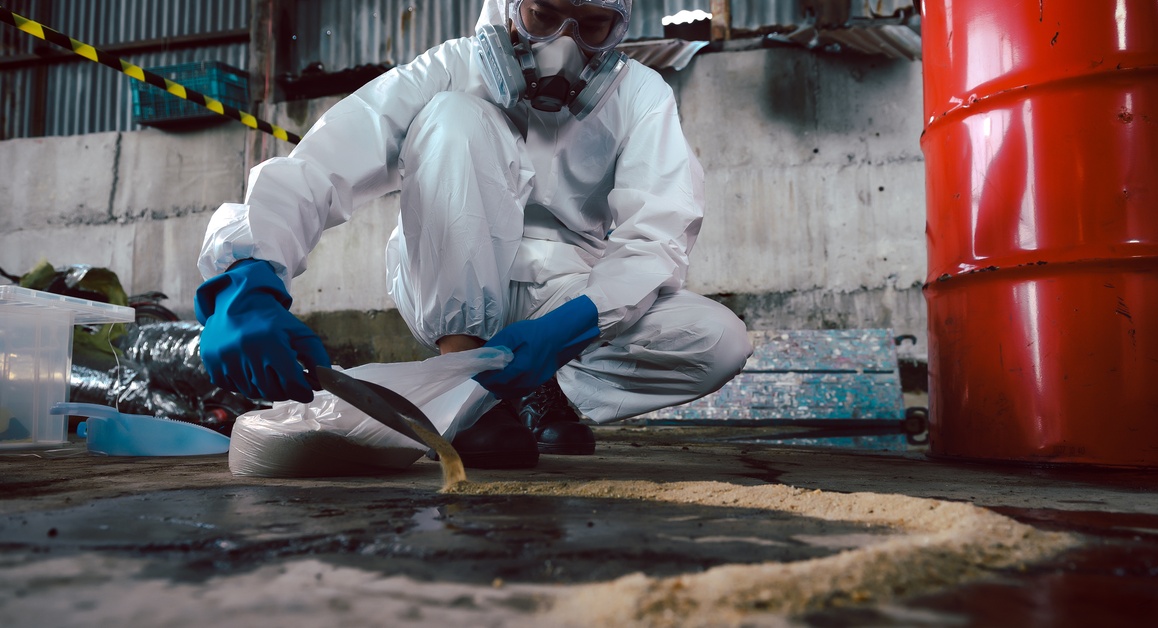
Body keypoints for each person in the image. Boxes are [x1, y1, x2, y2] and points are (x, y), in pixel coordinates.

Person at [194, 0, 752, 469]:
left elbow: (656, 236)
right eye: (543, 15)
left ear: (618, 24)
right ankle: (468, 373)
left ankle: (532, 391)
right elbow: (320, 165)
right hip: (452, 283)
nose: (563, 45)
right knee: (455, 117)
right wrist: (249, 275)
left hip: (570, 298)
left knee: (716, 341)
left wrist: (572, 325)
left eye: (590, 23)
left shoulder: (640, 94)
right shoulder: (450, 68)